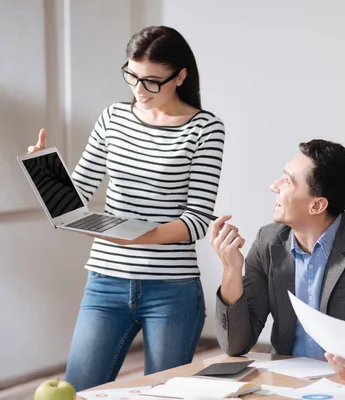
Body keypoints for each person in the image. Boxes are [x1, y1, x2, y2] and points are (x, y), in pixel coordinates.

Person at [27, 26, 225, 391]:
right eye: (132, 76)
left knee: (164, 395)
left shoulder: (205, 128)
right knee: (79, 391)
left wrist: (142, 238)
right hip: (105, 283)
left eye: (151, 81)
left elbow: (197, 219)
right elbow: (78, 194)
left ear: (180, 76)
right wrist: (45, 171)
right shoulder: (112, 118)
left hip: (172, 289)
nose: (138, 89)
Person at [209, 139, 345, 381]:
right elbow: (235, 344)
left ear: (317, 205)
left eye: (287, 181)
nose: (274, 186)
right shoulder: (268, 242)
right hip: (285, 382)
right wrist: (231, 269)